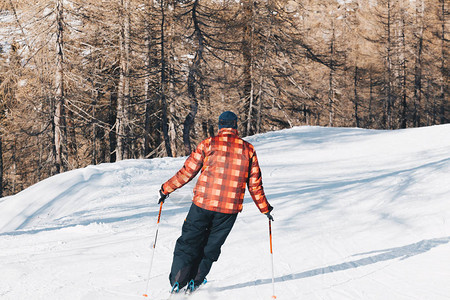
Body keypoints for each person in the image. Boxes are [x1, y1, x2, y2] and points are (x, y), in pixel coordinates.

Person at [158, 111, 273, 294]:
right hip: (228, 210)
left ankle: (178, 281)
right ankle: (196, 281)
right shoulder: (248, 149)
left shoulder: (208, 144)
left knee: (189, 242)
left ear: (220, 126)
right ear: (235, 126)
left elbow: (188, 171)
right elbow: (254, 184)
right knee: (211, 246)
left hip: (202, 204)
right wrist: (264, 208)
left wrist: (166, 189)